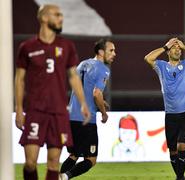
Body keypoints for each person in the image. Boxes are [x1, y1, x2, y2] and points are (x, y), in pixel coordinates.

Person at [15, 4, 90, 180]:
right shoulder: (27, 47)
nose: (61, 18)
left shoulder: (67, 46)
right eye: (56, 15)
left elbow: (73, 76)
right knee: (30, 162)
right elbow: (19, 79)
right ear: (43, 18)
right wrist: (19, 108)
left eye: (61, 15)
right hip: (35, 112)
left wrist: (83, 103)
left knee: (54, 163)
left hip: (58, 113)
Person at [144, 38, 185, 180]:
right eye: (174, 48)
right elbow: (148, 58)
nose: (177, 50)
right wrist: (165, 46)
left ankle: (180, 177)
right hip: (171, 113)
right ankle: (180, 176)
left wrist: (184, 46)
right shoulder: (162, 66)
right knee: (173, 150)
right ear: (168, 52)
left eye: (179, 48)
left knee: (182, 145)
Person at [59, 38, 116, 179]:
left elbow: (83, 89)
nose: (114, 53)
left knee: (73, 155)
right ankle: (64, 177)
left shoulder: (83, 64)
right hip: (86, 119)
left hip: (71, 116)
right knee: (91, 160)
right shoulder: (103, 69)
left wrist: (102, 102)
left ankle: (59, 177)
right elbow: (96, 93)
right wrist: (103, 113)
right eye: (111, 50)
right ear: (101, 52)